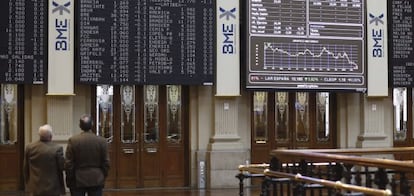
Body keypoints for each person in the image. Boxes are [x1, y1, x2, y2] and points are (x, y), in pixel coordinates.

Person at [65, 114, 110, 196]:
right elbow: (106, 162)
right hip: (96, 178)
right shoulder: (102, 141)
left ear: (80, 126)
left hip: (77, 178)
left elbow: (69, 163)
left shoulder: (73, 140)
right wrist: (103, 175)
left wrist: (70, 178)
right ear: (92, 124)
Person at [23, 124, 65, 196]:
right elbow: (62, 167)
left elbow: (25, 168)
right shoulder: (57, 148)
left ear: (39, 135)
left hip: (35, 186)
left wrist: (28, 183)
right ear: (51, 136)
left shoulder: (30, 147)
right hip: (53, 187)